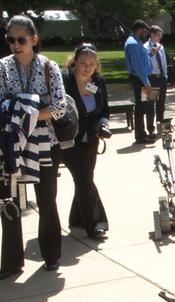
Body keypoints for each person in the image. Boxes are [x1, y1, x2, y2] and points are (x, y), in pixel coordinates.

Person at [0, 14, 67, 279]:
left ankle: (52, 254)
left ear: (34, 39)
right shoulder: (0, 67)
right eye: (10, 39)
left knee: (47, 200)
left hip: (46, 142)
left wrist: (23, 110)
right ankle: (11, 262)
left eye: (21, 39)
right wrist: (31, 108)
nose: (15, 44)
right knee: (9, 201)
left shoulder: (49, 67)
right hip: (10, 142)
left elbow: (58, 107)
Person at [61, 43, 111, 240]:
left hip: (91, 139)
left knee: (84, 179)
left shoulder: (98, 82)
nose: (87, 67)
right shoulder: (65, 80)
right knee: (84, 179)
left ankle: (77, 218)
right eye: (83, 63)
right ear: (74, 62)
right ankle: (95, 223)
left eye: (91, 63)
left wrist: (103, 124)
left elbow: (104, 109)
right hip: (68, 138)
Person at [124, 20, 155, 144]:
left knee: (146, 106)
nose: (146, 34)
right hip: (139, 78)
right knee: (141, 108)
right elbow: (138, 66)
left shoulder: (137, 42)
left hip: (141, 77)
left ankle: (144, 134)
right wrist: (146, 83)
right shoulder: (133, 44)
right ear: (140, 30)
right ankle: (140, 136)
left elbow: (142, 59)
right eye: (146, 31)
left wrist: (150, 54)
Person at [145, 25, 168, 129]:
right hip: (151, 78)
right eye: (159, 35)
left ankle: (161, 125)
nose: (160, 37)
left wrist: (166, 75)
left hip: (161, 78)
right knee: (150, 105)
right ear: (153, 35)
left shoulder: (161, 47)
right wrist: (151, 54)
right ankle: (150, 128)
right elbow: (144, 62)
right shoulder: (145, 47)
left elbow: (164, 62)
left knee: (161, 104)